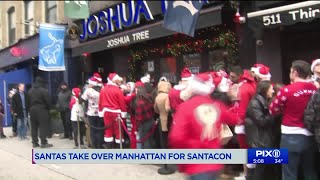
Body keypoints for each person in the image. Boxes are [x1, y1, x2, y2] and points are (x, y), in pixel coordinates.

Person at [169, 73, 240, 180]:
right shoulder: (216, 106)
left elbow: (176, 137)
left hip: (195, 164)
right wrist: (235, 100)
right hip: (214, 163)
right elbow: (236, 119)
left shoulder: (184, 107)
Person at [270, 60, 318, 180]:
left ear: (295, 72)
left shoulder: (286, 90)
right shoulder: (315, 89)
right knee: (310, 170)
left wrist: (284, 110)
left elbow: (273, 109)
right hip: (311, 135)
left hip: (290, 136)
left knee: (289, 172)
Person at [245, 81, 280, 180]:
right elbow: (261, 121)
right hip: (260, 141)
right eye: (271, 89)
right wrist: (274, 113)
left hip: (264, 139)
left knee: (265, 169)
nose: (273, 91)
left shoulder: (263, 101)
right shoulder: (255, 103)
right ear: (265, 90)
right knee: (260, 169)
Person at [99, 73, 127, 149]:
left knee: (108, 131)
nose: (119, 82)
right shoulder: (118, 90)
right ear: (115, 80)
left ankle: (109, 149)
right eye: (118, 80)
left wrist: (100, 111)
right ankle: (119, 149)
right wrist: (123, 114)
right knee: (118, 131)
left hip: (106, 112)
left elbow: (100, 102)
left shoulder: (103, 89)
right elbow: (122, 103)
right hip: (116, 113)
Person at [28, 77, 52, 148]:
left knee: (34, 127)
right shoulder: (43, 91)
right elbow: (48, 101)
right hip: (42, 109)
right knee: (43, 126)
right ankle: (43, 142)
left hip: (32, 110)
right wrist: (48, 108)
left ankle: (35, 143)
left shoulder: (30, 91)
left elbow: (27, 102)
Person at [81, 76, 104, 149]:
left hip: (91, 113)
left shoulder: (88, 90)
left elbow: (82, 99)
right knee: (100, 130)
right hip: (101, 113)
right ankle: (99, 145)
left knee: (93, 130)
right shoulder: (103, 89)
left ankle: (94, 145)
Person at [154, 77, 172, 148]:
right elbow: (167, 108)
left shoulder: (157, 97)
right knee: (167, 137)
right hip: (167, 118)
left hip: (160, 118)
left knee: (162, 137)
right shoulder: (167, 96)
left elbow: (155, 109)